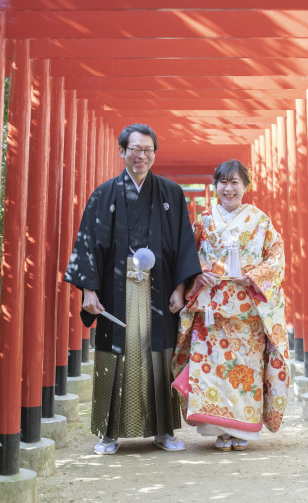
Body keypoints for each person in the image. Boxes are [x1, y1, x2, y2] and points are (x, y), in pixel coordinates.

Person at [64, 123, 202, 455]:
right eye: (135, 149)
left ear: (154, 153)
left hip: (160, 285)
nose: (141, 156)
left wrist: (181, 287)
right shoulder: (104, 194)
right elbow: (88, 245)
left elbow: (183, 242)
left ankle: (163, 431)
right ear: (122, 151)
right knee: (114, 352)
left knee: (159, 353)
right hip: (116, 286)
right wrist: (89, 291)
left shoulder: (170, 192)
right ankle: (108, 433)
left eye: (148, 150)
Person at [172, 159, 290, 451]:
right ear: (216, 186)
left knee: (244, 368)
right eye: (223, 182)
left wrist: (255, 277)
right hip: (210, 307)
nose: (228, 188)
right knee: (212, 368)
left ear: (246, 186)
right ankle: (220, 430)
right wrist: (200, 271)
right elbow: (186, 254)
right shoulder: (204, 220)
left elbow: (276, 257)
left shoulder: (260, 221)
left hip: (246, 308)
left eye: (235, 182)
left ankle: (242, 430)